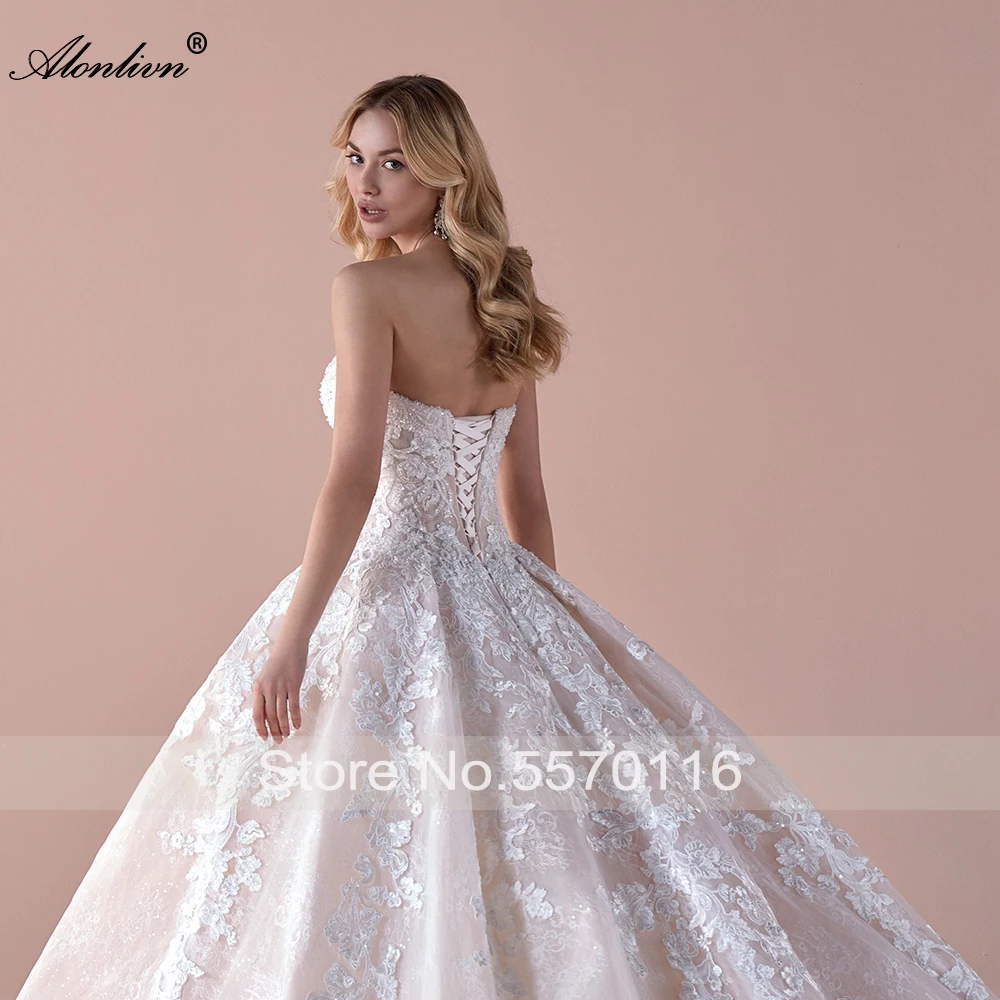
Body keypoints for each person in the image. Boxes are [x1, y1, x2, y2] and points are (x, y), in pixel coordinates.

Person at [15, 74, 996, 1000]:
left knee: (351, 844)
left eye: (394, 161)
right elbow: (525, 492)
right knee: (530, 847)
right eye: (356, 158)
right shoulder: (505, 288)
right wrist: (543, 638)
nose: (366, 183)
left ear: (446, 171)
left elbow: (353, 475)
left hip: (386, 587)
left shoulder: (363, 292)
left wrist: (292, 639)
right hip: (502, 585)